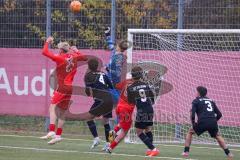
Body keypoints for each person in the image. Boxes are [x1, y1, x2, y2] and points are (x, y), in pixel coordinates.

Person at [40, 36, 87, 144]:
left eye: (58, 49)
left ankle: (52, 130)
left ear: (61, 50)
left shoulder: (60, 58)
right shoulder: (74, 56)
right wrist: (77, 51)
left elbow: (44, 52)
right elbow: (84, 58)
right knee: (62, 112)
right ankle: (58, 135)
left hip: (62, 86)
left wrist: (47, 42)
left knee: (52, 107)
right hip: (70, 87)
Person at [182, 86, 233, 159]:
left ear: (198, 93)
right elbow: (219, 114)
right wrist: (214, 121)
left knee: (190, 132)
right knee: (217, 136)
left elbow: (192, 114)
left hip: (202, 122)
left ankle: (186, 152)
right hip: (213, 122)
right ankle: (229, 153)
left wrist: (193, 123)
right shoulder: (211, 100)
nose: (195, 93)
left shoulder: (196, 101)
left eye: (196, 91)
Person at [127, 66, 159, 157]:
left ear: (132, 76)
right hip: (149, 109)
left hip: (141, 111)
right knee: (147, 129)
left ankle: (153, 149)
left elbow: (130, 102)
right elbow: (152, 97)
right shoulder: (146, 85)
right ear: (141, 76)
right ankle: (150, 149)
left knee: (139, 132)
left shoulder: (130, 88)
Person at [84, 58, 114, 150]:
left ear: (88, 66)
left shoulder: (88, 75)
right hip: (109, 98)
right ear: (97, 66)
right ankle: (110, 143)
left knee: (89, 118)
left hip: (100, 99)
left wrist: (90, 92)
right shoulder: (103, 73)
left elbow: (87, 92)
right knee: (106, 122)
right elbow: (111, 86)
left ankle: (96, 138)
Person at [105, 78, 135, 153]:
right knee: (124, 132)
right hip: (126, 109)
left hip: (119, 106)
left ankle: (109, 140)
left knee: (121, 124)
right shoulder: (138, 85)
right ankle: (110, 147)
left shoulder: (127, 81)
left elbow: (117, 86)